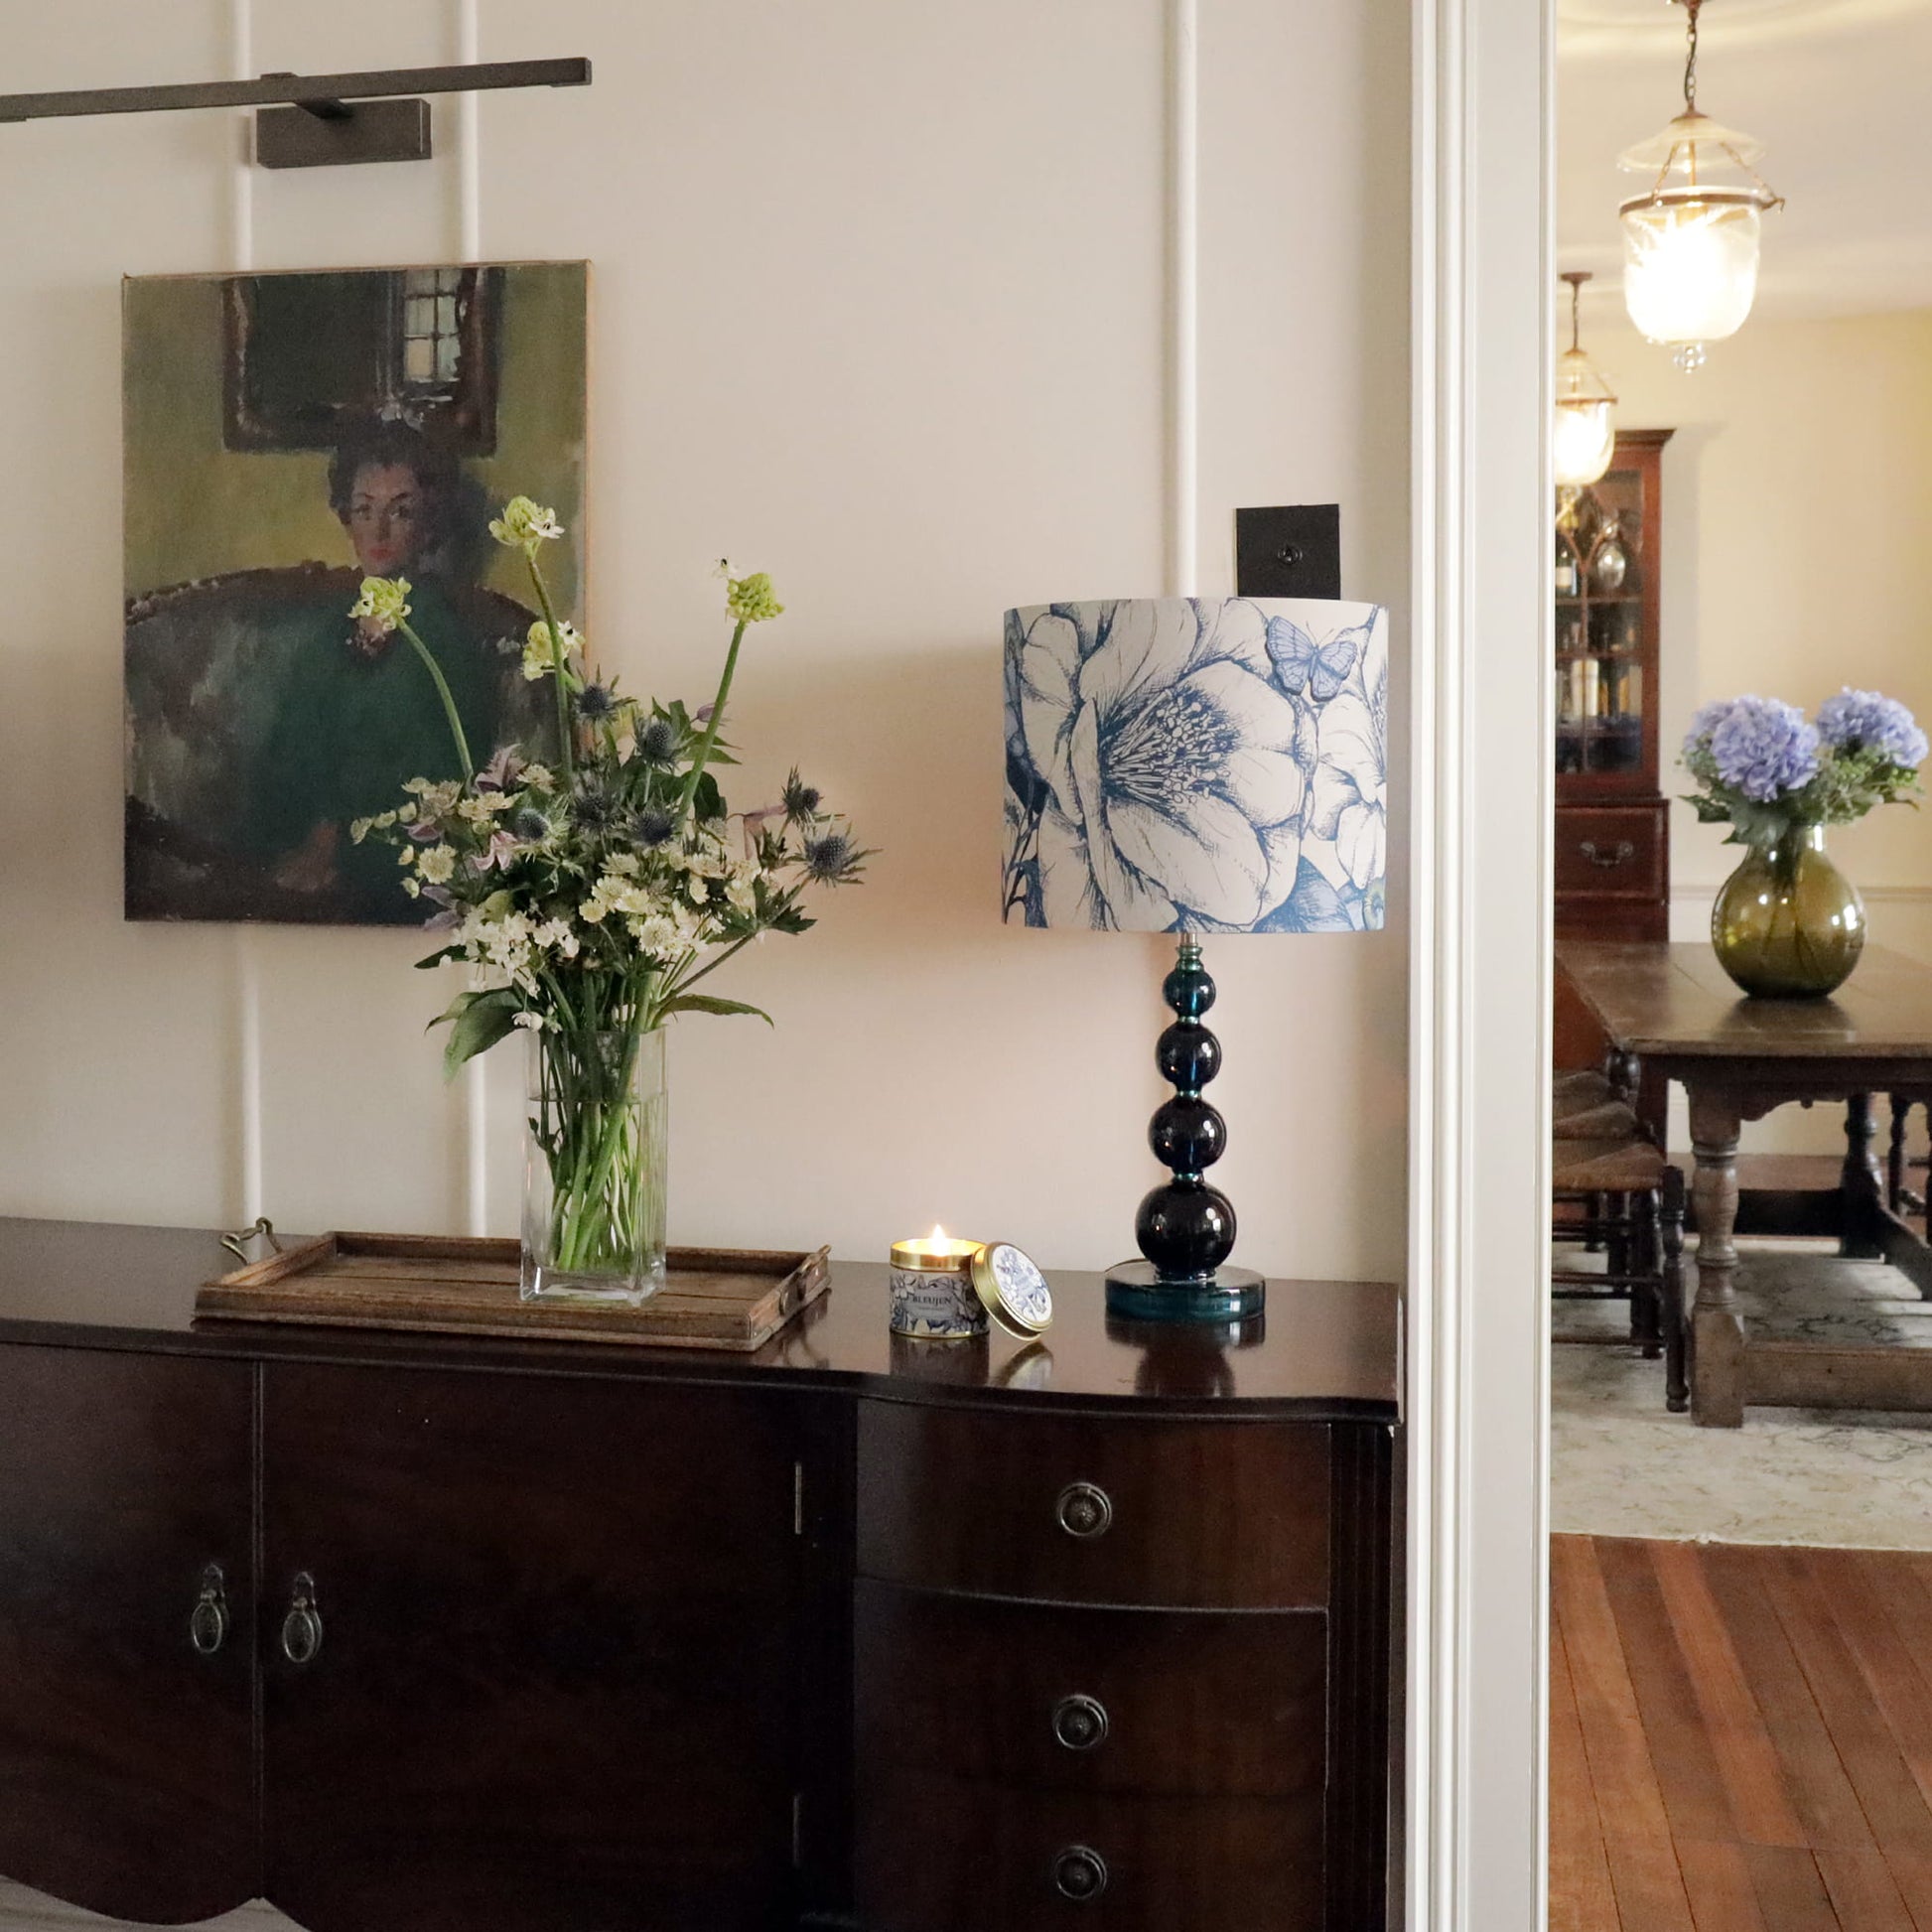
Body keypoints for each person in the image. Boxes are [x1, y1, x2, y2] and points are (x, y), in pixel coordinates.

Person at [233, 421, 546, 921]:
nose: (378, 531)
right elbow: (285, 761)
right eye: (364, 509)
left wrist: (330, 844)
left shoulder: (445, 641)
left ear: (428, 525)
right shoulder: (324, 633)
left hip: (393, 862)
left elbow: (442, 779)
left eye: (400, 511)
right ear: (345, 517)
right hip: (299, 855)